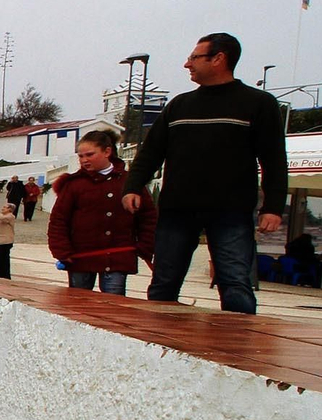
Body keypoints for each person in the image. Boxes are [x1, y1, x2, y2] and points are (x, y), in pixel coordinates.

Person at [123, 32, 287, 314]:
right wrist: (133, 186)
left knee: (235, 282)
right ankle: (156, 343)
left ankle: (239, 348)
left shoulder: (258, 103)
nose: (187, 64)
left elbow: (273, 159)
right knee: (164, 283)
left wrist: (272, 207)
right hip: (178, 210)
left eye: (194, 58)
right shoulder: (179, 105)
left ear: (219, 59)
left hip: (231, 211)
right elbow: (151, 152)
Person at [49, 130, 156, 296]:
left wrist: (144, 246)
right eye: (81, 156)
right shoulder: (73, 185)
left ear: (107, 152)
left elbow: (148, 217)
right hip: (80, 257)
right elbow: (59, 220)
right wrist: (62, 251)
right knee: (78, 306)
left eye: (90, 155)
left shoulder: (130, 182)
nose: (84, 160)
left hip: (118, 257)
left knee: (114, 306)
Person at [0, 202, 16, 278]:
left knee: (3, 259)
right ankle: (0, 274)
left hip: (5, 241)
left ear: (10, 209)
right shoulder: (3, 216)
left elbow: (1, 218)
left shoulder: (10, 216)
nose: (2, 208)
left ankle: (5, 275)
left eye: (5, 207)